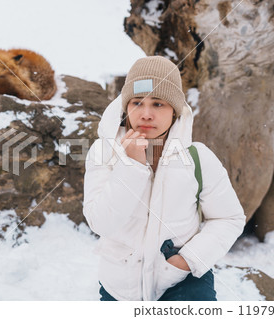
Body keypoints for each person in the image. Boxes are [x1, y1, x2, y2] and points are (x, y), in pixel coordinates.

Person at [82, 56, 246, 301]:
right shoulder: (102, 153)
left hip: (181, 281)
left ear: (174, 111)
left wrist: (189, 260)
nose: (146, 114)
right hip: (120, 288)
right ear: (126, 107)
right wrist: (131, 165)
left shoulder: (198, 158)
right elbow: (101, 224)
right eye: (137, 102)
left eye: (158, 104)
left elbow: (229, 218)